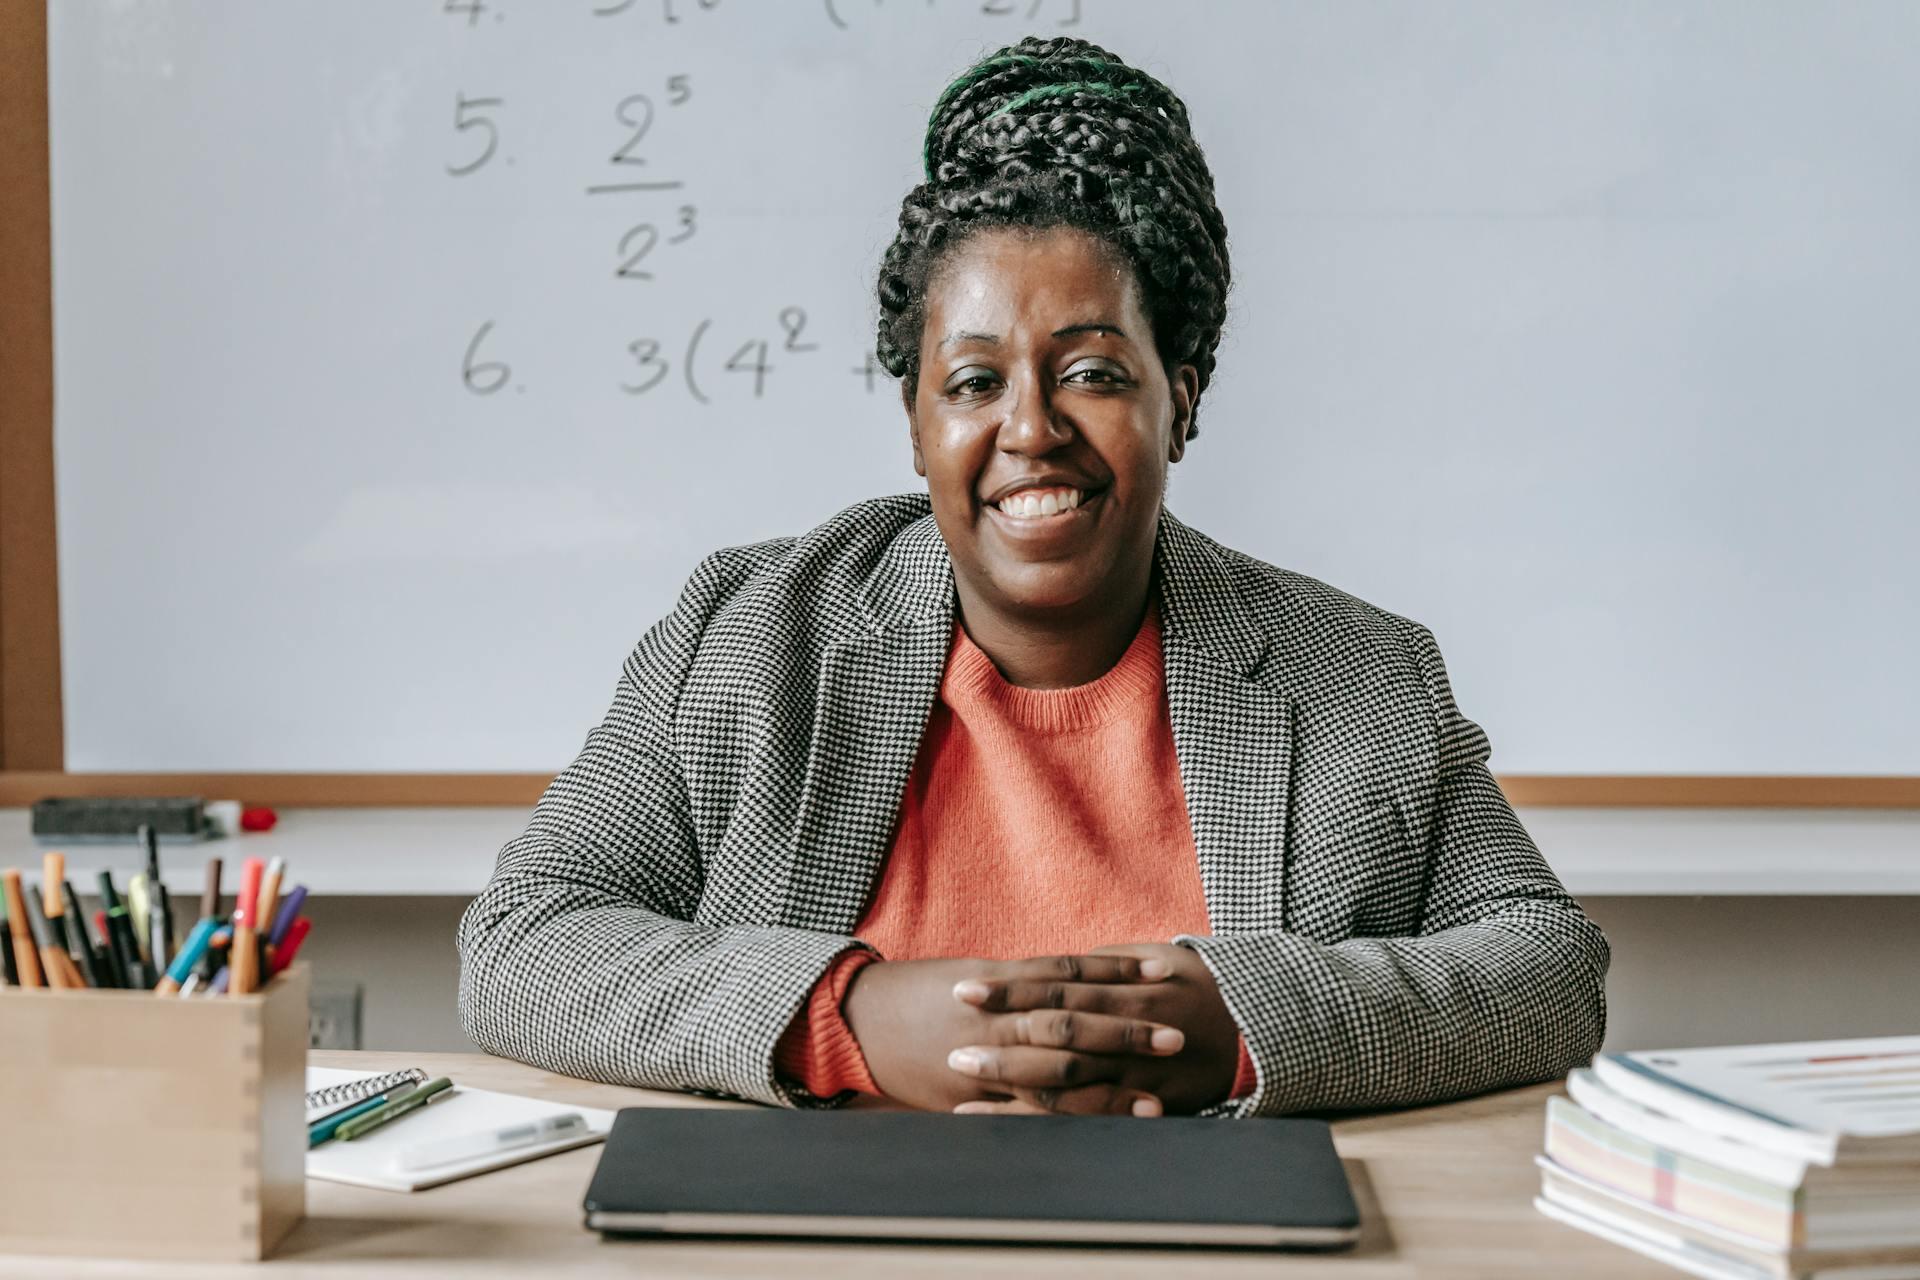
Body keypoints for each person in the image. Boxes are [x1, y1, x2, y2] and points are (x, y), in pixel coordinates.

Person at [456, 35, 1609, 1119]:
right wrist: (846, 1012)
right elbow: (522, 937)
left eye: (1093, 371)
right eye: (970, 382)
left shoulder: (1354, 673)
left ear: (1182, 402)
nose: (1030, 428)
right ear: (917, 426)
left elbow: (1549, 968)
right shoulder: (750, 637)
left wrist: (1248, 1024)